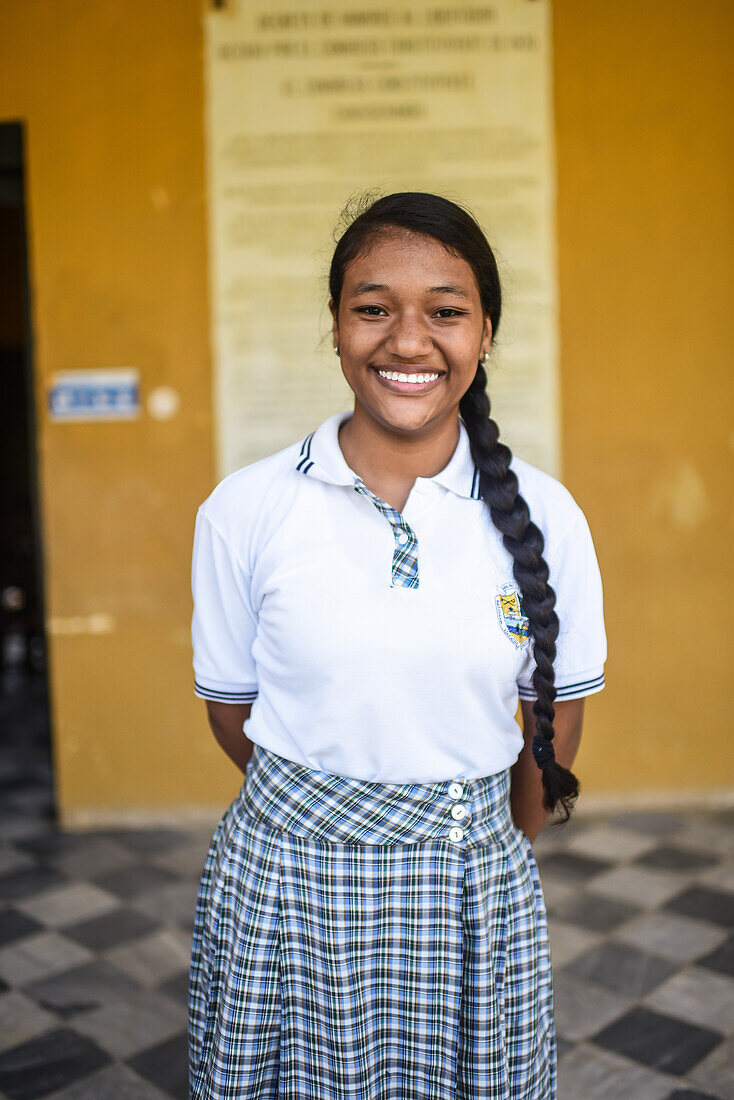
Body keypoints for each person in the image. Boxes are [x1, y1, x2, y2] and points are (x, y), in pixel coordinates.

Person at [188, 191, 606, 1099]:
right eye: (373, 308)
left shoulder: (550, 518)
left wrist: (470, 845)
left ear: (485, 332)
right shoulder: (247, 509)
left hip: (469, 892)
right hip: (287, 891)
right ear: (336, 327)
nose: (408, 342)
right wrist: (331, 822)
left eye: (445, 312)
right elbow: (232, 711)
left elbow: (555, 719)